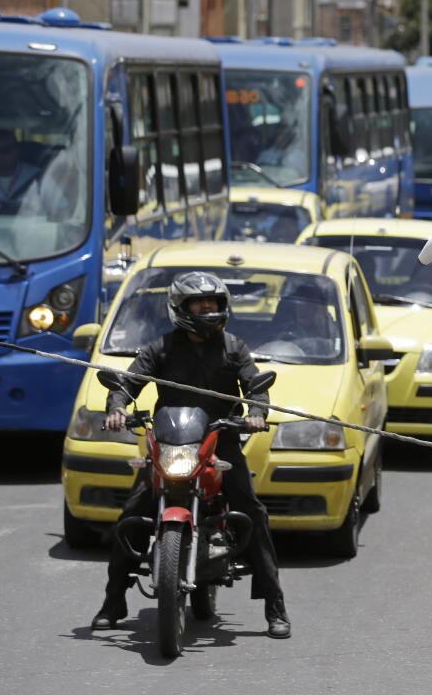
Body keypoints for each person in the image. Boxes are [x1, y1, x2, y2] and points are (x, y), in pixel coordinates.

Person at [91, 272, 293, 637]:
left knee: (252, 513)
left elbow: (255, 386)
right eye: (200, 304)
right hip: (170, 444)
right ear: (180, 309)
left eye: (213, 304)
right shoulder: (161, 348)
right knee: (132, 513)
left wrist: (257, 414)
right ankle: (113, 601)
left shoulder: (234, 347)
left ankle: (274, 606)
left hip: (220, 440)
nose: (207, 310)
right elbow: (128, 383)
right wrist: (117, 406)